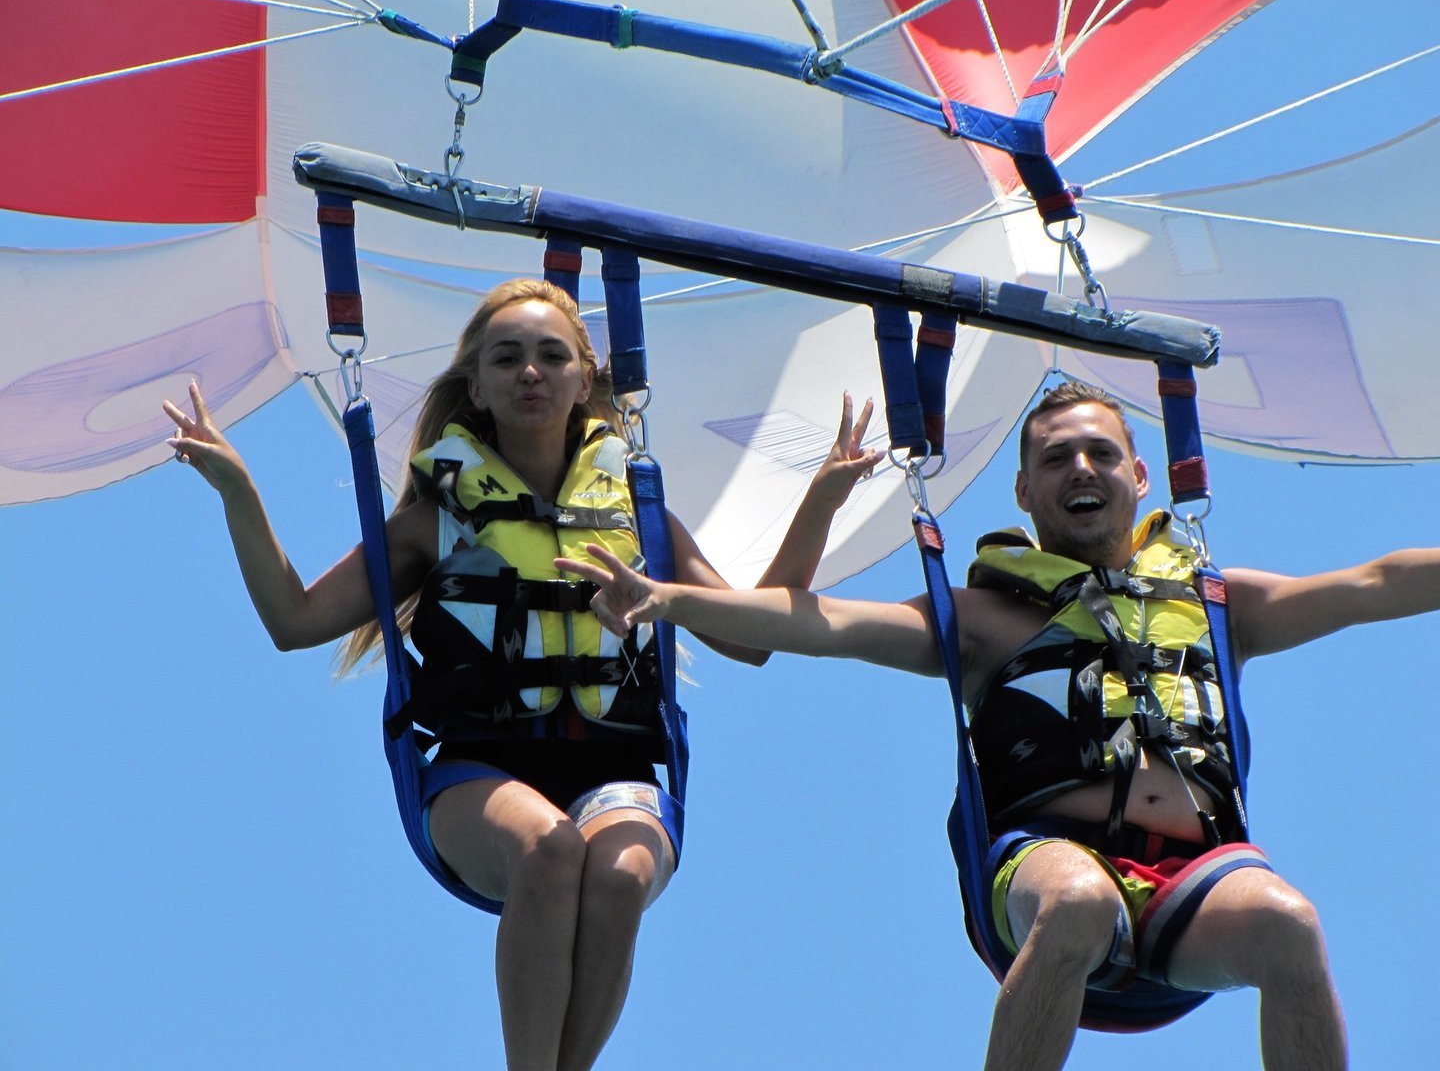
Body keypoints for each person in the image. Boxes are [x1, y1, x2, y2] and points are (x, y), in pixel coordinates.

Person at [560, 379, 1440, 1071]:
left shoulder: (1217, 605)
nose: (1082, 470)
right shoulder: (983, 619)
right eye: (1058, 460)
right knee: (1081, 901)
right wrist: (667, 598)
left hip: (1192, 884)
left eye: (1102, 453)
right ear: (1025, 491)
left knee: (1290, 923)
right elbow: (813, 624)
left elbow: (1375, 585)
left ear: (1141, 477)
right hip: (1046, 865)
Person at [162, 278, 881, 1071]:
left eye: (550, 356)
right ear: (477, 386)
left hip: (615, 769)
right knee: (548, 848)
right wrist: (239, 490)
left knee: (619, 872)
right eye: (507, 359)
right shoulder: (434, 521)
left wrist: (821, 500)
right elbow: (293, 622)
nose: (530, 372)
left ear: (584, 380)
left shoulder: (638, 516)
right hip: (478, 773)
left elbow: (752, 637)